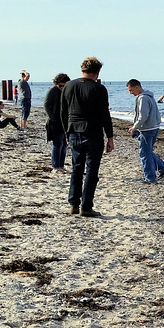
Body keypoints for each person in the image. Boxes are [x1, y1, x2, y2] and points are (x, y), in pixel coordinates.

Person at [61, 57, 114, 218]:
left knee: (77, 168)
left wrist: (66, 133)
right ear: (97, 72)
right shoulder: (99, 89)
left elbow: (63, 112)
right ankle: (86, 206)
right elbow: (105, 114)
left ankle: (73, 204)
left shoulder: (69, 86)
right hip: (93, 132)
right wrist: (110, 136)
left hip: (74, 130)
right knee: (91, 170)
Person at [126, 79, 164, 183]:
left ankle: (150, 178)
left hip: (147, 129)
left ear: (137, 87)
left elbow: (143, 116)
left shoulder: (143, 98)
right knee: (148, 152)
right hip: (154, 127)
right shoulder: (149, 97)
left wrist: (135, 127)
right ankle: (163, 168)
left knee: (144, 154)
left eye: (131, 90)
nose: (130, 93)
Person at [43, 73, 70, 172]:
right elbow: (46, 105)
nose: (62, 87)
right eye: (60, 85)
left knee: (64, 144)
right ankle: (55, 166)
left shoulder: (67, 91)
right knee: (57, 144)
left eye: (64, 85)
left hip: (65, 121)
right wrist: (53, 118)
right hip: (55, 122)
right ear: (56, 84)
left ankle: (61, 165)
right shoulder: (53, 90)